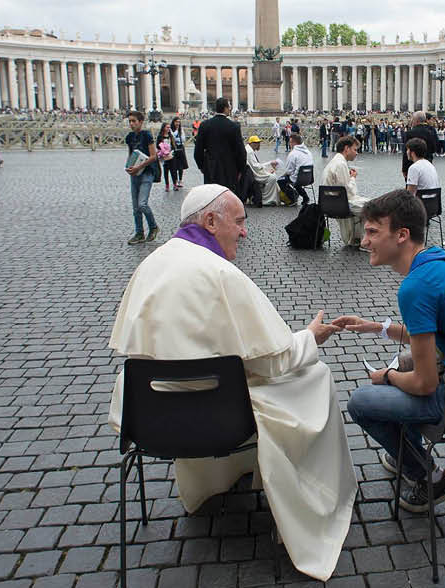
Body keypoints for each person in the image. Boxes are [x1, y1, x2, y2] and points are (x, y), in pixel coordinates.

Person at [105, 184, 355, 581]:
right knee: (316, 377)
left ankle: (220, 476)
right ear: (209, 220)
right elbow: (275, 360)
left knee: (225, 384)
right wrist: (310, 337)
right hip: (223, 418)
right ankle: (316, 499)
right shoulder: (219, 272)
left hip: (152, 418)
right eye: (238, 222)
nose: (244, 232)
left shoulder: (151, 264)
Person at [331, 190, 445, 512]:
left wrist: (388, 376)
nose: (364, 242)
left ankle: (430, 476)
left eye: (372, 232)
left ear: (402, 235)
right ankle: (405, 452)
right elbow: (431, 337)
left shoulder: (415, 286)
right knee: (407, 364)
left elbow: (425, 385)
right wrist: (375, 327)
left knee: (362, 402)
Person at [323, 136, 372, 249]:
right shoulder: (340, 164)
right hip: (339, 204)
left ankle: (356, 238)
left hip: (331, 201)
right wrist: (353, 178)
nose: (357, 153)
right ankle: (366, 243)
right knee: (372, 207)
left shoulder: (336, 162)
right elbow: (347, 192)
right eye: (355, 149)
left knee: (370, 203)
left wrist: (349, 178)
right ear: (346, 149)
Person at [194, 97, 247, 199]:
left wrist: (202, 166)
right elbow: (240, 151)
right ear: (226, 108)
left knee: (212, 198)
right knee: (227, 197)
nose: (230, 109)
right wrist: (241, 169)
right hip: (230, 168)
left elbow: (198, 150)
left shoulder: (204, 125)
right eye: (229, 106)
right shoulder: (234, 126)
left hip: (210, 167)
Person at [122, 114, 162, 243]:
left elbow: (153, 156)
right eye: (130, 121)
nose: (132, 124)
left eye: (134, 121)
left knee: (142, 204)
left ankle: (153, 226)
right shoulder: (129, 137)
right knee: (135, 207)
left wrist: (139, 166)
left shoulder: (147, 136)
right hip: (135, 173)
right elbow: (131, 154)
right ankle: (139, 233)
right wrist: (129, 167)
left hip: (147, 173)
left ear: (141, 122)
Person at [276, 133, 315, 207]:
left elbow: (288, 171)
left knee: (280, 180)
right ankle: (305, 197)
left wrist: (282, 175)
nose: (289, 144)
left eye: (290, 142)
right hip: (309, 178)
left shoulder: (293, 154)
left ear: (294, 143)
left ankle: (292, 198)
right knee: (297, 178)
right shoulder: (308, 152)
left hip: (298, 179)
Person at [242, 136, 281, 208]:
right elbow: (256, 167)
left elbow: (256, 166)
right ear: (252, 144)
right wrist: (268, 166)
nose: (259, 145)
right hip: (254, 174)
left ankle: (271, 198)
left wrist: (266, 169)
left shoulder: (249, 150)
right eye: (257, 143)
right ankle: (267, 200)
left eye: (259, 143)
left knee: (272, 176)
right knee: (272, 177)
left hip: (252, 173)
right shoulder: (249, 152)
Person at [404, 111, 438, 180]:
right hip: (427, 163)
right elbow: (434, 148)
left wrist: (404, 168)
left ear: (416, 120)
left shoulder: (409, 133)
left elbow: (406, 152)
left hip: (412, 163)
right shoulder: (431, 132)